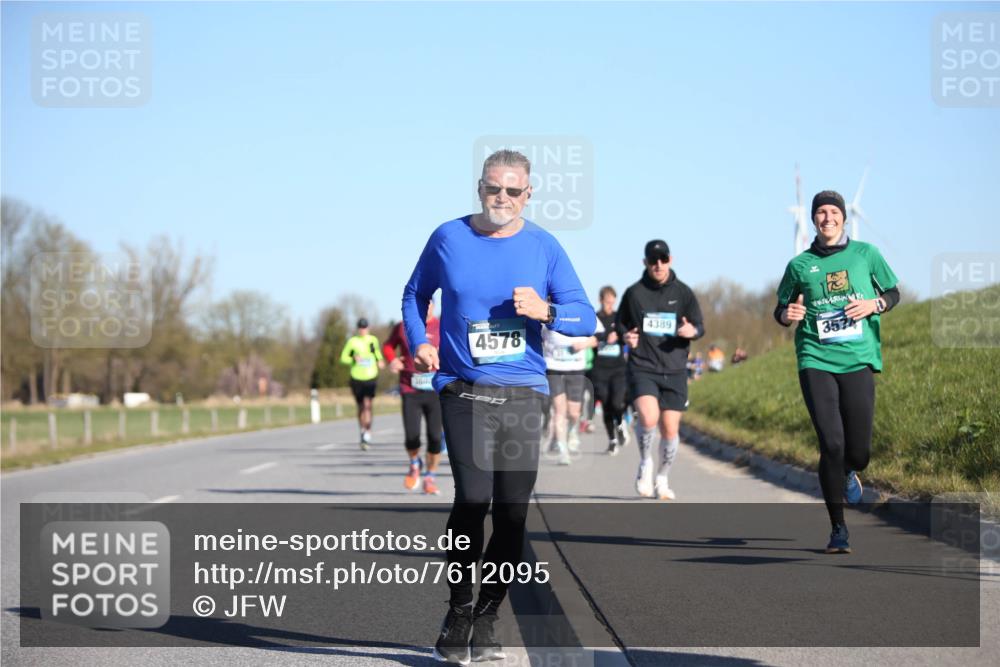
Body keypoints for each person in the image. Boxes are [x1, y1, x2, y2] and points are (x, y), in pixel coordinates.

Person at [402, 149, 595, 664]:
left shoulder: (544, 246)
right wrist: (420, 341)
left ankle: (488, 615)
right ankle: (459, 607)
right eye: (494, 188)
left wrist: (548, 310)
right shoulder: (449, 237)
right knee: (473, 497)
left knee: (511, 513)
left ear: (528, 194)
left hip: (524, 393)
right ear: (479, 188)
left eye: (513, 191)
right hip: (464, 388)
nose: (502, 198)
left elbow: (586, 319)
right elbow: (413, 295)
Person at [774, 190, 899, 554]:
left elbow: (893, 292)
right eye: (820, 213)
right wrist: (786, 315)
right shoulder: (799, 265)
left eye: (833, 211)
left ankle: (848, 471)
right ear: (813, 219)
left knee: (858, 452)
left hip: (858, 358)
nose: (826, 217)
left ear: (844, 217)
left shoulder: (866, 254)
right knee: (831, 443)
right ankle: (838, 528)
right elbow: (780, 307)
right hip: (815, 357)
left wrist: (873, 303)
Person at [617, 240, 704, 500]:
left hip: (676, 368)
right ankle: (645, 463)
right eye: (653, 260)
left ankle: (663, 477)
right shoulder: (634, 293)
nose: (658, 265)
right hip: (643, 365)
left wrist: (693, 331)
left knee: (669, 429)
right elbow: (622, 325)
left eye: (662, 259)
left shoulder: (684, 293)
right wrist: (626, 337)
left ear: (670, 260)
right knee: (648, 417)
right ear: (645, 262)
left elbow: (700, 326)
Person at [383, 302, 443, 495]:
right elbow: (388, 346)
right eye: (422, 304)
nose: (426, 308)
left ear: (434, 306)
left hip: (435, 391)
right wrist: (392, 359)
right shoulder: (403, 326)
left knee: (435, 438)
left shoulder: (442, 325)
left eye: (429, 304)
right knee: (412, 436)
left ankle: (430, 477)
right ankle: (414, 463)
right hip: (410, 389)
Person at [581, 286, 630, 455]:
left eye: (612, 302)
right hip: (599, 370)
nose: (610, 305)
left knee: (616, 403)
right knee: (606, 404)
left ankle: (621, 423)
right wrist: (603, 338)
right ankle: (612, 440)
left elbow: (627, 336)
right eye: (607, 301)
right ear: (601, 300)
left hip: (618, 369)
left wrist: (621, 336)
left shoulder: (619, 318)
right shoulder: (595, 319)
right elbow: (588, 337)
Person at [542, 316, 591, 466]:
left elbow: (598, 336)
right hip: (553, 367)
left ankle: (571, 432)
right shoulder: (544, 314)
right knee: (559, 410)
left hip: (575, 368)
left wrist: (584, 343)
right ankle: (564, 452)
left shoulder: (581, 312)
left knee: (574, 413)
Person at [340, 318, 384, 449]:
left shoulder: (373, 340)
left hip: (371, 376)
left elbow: (377, 353)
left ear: (368, 328)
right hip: (356, 376)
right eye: (360, 327)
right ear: (358, 328)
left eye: (364, 327)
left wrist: (380, 361)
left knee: (368, 405)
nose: (363, 330)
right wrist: (353, 358)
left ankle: (368, 431)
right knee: (360, 407)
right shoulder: (352, 341)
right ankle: (362, 430)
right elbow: (343, 358)